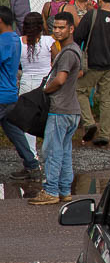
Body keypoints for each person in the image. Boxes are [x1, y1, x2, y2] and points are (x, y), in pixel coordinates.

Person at [28, 12, 83, 206]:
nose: (57, 31)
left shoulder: (68, 52)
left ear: (71, 29)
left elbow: (60, 80)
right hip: (71, 110)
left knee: (51, 151)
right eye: (55, 27)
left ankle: (51, 190)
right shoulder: (74, 50)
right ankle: (64, 190)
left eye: (62, 27)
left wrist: (45, 89)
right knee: (64, 151)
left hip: (60, 109)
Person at [75, 0, 110, 147]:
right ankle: (105, 134)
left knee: (79, 90)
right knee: (106, 99)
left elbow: (77, 37)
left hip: (92, 64)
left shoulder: (92, 15)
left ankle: (90, 123)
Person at [0, 6, 41, 180]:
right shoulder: (15, 39)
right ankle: (32, 165)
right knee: (14, 132)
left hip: (1, 95)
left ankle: (32, 165)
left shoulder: (4, 41)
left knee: (14, 131)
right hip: (9, 93)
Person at [17, 12, 55, 154]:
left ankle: (32, 156)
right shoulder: (48, 41)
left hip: (26, 82)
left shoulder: (20, 42)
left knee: (27, 121)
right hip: (45, 84)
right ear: (41, 26)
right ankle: (50, 152)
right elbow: (58, 61)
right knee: (47, 118)